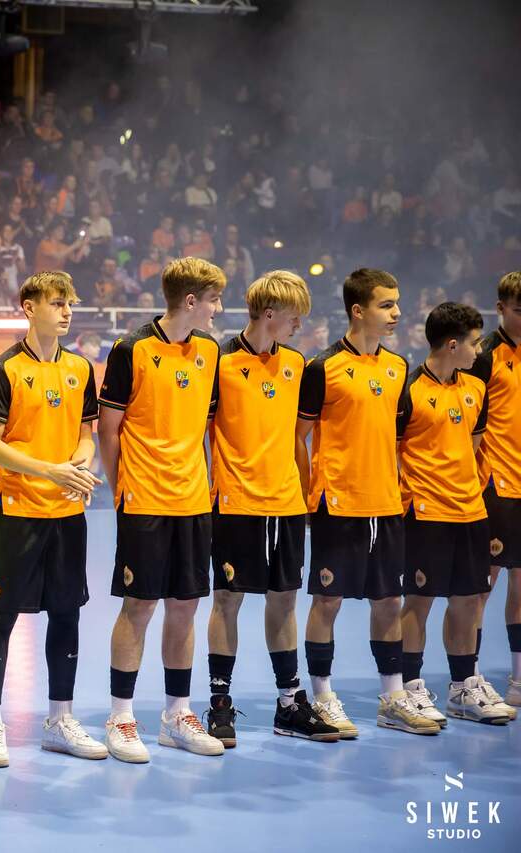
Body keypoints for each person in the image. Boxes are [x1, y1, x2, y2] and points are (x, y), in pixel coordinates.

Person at [296, 268, 440, 737]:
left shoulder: (398, 368)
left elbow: (395, 438)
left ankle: (393, 697)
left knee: (389, 600)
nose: (397, 312)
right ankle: (322, 697)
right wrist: (309, 494)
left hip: (386, 504)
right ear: (358, 311)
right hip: (337, 505)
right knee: (328, 601)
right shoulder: (322, 367)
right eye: (386, 304)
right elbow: (299, 437)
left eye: (396, 303)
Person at [97, 257, 227, 763]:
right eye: (213, 299)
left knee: (185, 606)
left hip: (193, 501)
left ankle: (177, 715)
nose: (218, 308)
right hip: (144, 499)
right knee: (139, 607)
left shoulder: (210, 350)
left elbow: (205, 425)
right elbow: (109, 431)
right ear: (190, 301)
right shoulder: (131, 349)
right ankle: (121, 717)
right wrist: (121, 488)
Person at [0, 271, 106, 767]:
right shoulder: (5, 368)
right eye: (57, 303)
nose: (67, 311)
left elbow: (87, 434)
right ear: (29, 308)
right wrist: (49, 469)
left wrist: (80, 465)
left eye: (70, 303)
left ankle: (59, 721)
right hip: (17, 511)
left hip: (67, 512)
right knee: (1, 615)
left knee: (67, 613)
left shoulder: (80, 367)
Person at [204, 271, 340, 745]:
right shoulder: (218, 361)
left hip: (286, 504)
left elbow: (299, 438)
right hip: (235, 502)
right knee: (227, 600)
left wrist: (304, 495)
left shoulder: (297, 364)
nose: (300, 324)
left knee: (284, 600)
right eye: (294, 316)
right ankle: (220, 704)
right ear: (268, 314)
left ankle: (289, 704)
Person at [398, 302, 512, 725]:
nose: (478, 351)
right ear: (451, 344)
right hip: (426, 514)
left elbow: (474, 446)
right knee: (419, 602)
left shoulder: (476, 388)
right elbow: (392, 450)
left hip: (471, 512)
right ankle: (410, 689)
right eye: (473, 343)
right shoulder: (409, 390)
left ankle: (463, 687)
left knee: (467, 601)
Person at [469, 270, 521, 710]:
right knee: (481, 588)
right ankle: (469, 677)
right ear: (501, 308)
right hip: (494, 485)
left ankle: (518, 679)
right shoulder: (484, 356)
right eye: (519, 310)